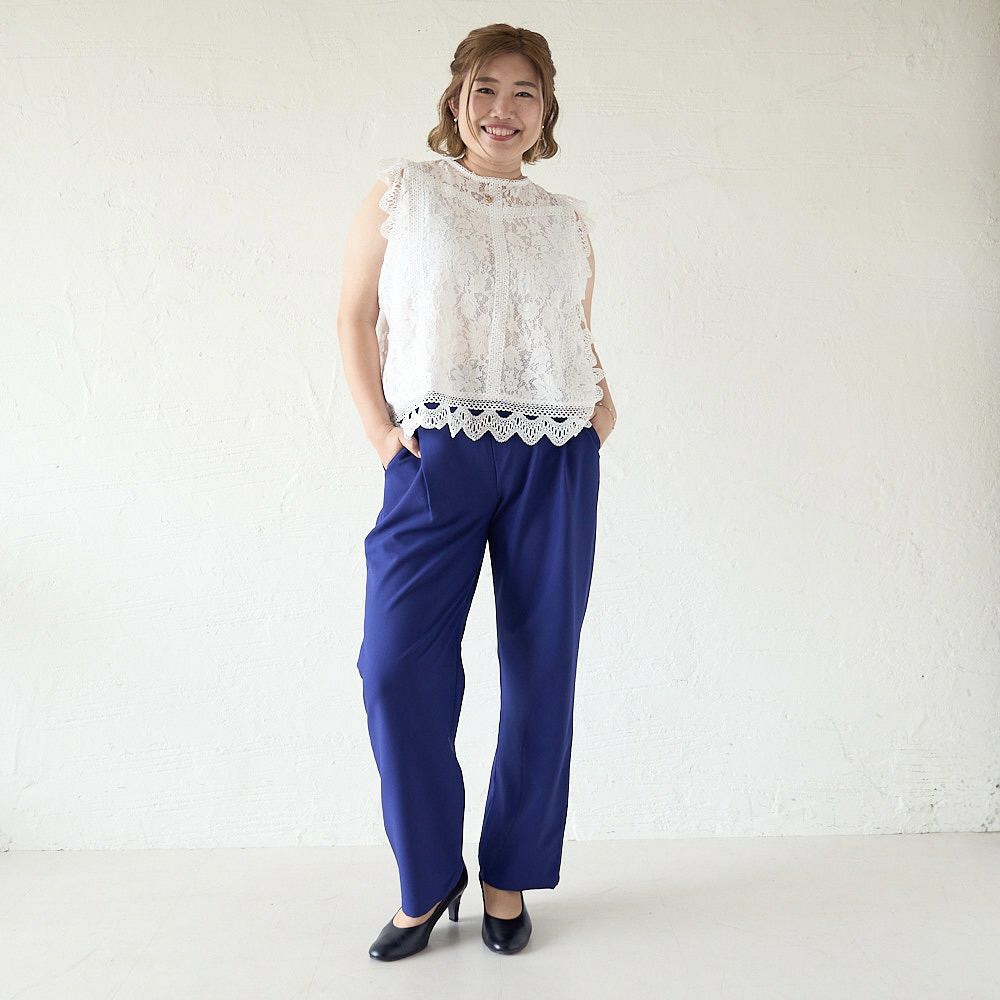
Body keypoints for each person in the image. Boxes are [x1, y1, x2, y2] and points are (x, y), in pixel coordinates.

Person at [337, 23, 618, 961]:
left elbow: (572, 328)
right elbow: (354, 317)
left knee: (543, 670)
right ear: (457, 98)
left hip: (554, 452)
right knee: (393, 666)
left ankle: (509, 876)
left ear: (546, 111)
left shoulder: (567, 219)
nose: (504, 109)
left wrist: (600, 409)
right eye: (486, 88)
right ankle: (428, 878)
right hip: (437, 451)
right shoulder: (405, 191)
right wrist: (383, 437)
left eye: (525, 92)